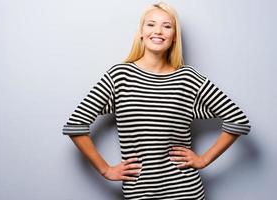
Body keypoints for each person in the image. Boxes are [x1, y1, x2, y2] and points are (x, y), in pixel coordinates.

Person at [62, 2, 251, 199]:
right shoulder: (120, 76)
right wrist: (105, 169)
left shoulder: (188, 78)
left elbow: (238, 120)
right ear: (141, 32)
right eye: (151, 24)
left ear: (174, 36)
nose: (158, 31)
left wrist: (203, 160)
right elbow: (76, 125)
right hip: (139, 193)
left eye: (167, 26)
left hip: (186, 192)